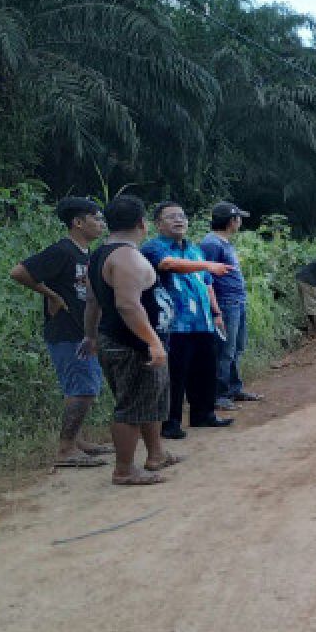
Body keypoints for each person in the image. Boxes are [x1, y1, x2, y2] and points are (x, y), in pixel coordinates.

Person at [78, 195, 180, 486]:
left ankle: (156, 454)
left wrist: (90, 334)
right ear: (142, 223)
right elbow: (127, 305)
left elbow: (93, 302)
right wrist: (153, 342)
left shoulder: (99, 255)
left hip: (122, 339)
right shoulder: (126, 258)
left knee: (149, 399)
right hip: (132, 343)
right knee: (132, 406)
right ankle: (124, 469)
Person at [10, 197, 112, 468]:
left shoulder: (86, 254)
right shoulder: (62, 251)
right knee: (83, 389)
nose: (101, 224)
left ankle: (77, 441)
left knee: (84, 386)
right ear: (78, 222)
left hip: (82, 330)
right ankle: (66, 449)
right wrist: (51, 294)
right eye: (96, 218)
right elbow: (19, 271)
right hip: (66, 331)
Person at [141, 202, 233, 439]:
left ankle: (204, 414)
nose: (178, 220)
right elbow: (169, 265)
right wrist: (208, 265)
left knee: (204, 369)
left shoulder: (194, 249)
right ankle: (170, 423)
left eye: (182, 216)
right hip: (173, 324)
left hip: (202, 320)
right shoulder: (153, 248)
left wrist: (216, 313)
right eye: (171, 217)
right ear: (158, 224)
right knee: (175, 374)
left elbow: (207, 283)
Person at [199, 201, 263, 412]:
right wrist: (215, 309)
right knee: (224, 351)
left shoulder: (224, 243)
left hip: (236, 302)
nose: (240, 222)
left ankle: (234, 388)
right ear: (231, 221)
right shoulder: (211, 244)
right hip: (225, 303)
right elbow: (205, 277)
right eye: (238, 218)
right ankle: (219, 394)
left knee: (236, 348)